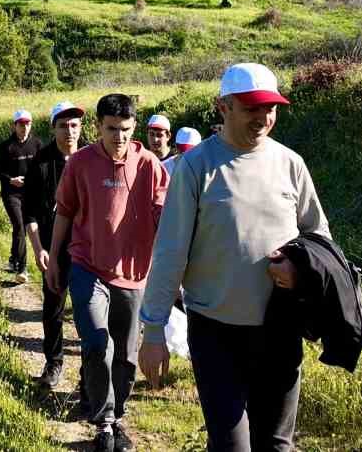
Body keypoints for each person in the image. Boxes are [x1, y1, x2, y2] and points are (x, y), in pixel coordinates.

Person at [138, 63, 330, 452]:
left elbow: (320, 240)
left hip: (279, 328)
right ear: (222, 107)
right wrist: (154, 329)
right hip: (216, 332)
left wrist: (300, 270)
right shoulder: (196, 167)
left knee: (276, 445)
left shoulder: (290, 164)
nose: (263, 118)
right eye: (251, 108)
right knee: (231, 445)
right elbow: (170, 252)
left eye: (270, 109)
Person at [45, 93, 169, 452]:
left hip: (133, 274)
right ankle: (106, 422)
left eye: (126, 130)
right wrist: (55, 259)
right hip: (88, 266)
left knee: (127, 355)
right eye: (112, 129)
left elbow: (165, 216)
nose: (119, 137)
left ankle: (119, 411)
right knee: (98, 343)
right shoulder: (80, 164)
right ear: (98, 126)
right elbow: (65, 212)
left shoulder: (149, 166)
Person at [25, 100, 84, 391]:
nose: (70, 131)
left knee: (89, 312)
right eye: (63, 125)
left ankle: (91, 373)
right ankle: (54, 361)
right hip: (54, 247)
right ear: (53, 128)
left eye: (74, 125)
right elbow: (31, 213)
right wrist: (39, 249)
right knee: (53, 309)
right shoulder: (41, 163)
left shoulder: (91, 160)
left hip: (88, 250)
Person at [0, 108, 40, 282]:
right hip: (11, 194)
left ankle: (13, 259)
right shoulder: (6, 146)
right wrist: (11, 179)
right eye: (21, 124)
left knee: (27, 228)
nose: (24, 127)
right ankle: (22, 268)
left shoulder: (37, 144)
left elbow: (43, 168)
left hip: (30, 193)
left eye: (27, 124)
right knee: (20, 227)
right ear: (14, 126)